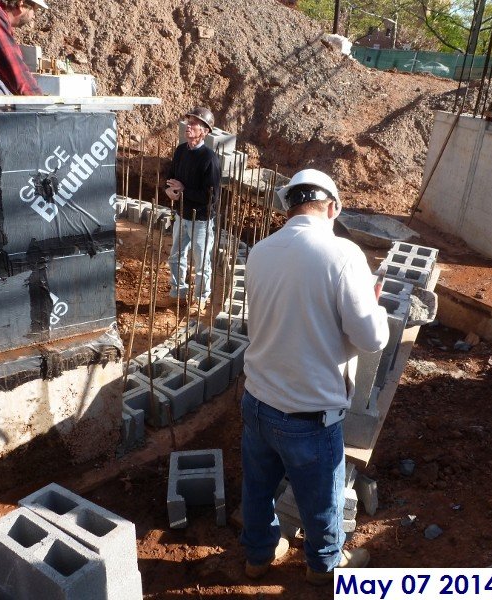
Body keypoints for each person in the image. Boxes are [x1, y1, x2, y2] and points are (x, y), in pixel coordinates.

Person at [239, 169, 389, 585]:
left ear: (289, 206)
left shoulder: (261, 251)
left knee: (257, 488)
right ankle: (324, 566)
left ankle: (257, 556)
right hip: (310, 414)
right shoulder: (343, 255)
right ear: (333, 208)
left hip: (257, 400)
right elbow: (371, 338)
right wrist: (373, 307)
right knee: (321, 500)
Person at [165, 106, 221, 311]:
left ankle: (200, 297)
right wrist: (169, 191)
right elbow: (170, 178)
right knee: (176, 256)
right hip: (182, 215)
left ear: (205, 131)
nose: (189, 125)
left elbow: (211, 197)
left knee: (201, 262)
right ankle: (177, 292)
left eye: (195, 123)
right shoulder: (181, 151)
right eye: (189, 121)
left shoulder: (210, 159)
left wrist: (184, 190)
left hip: (202, 221)